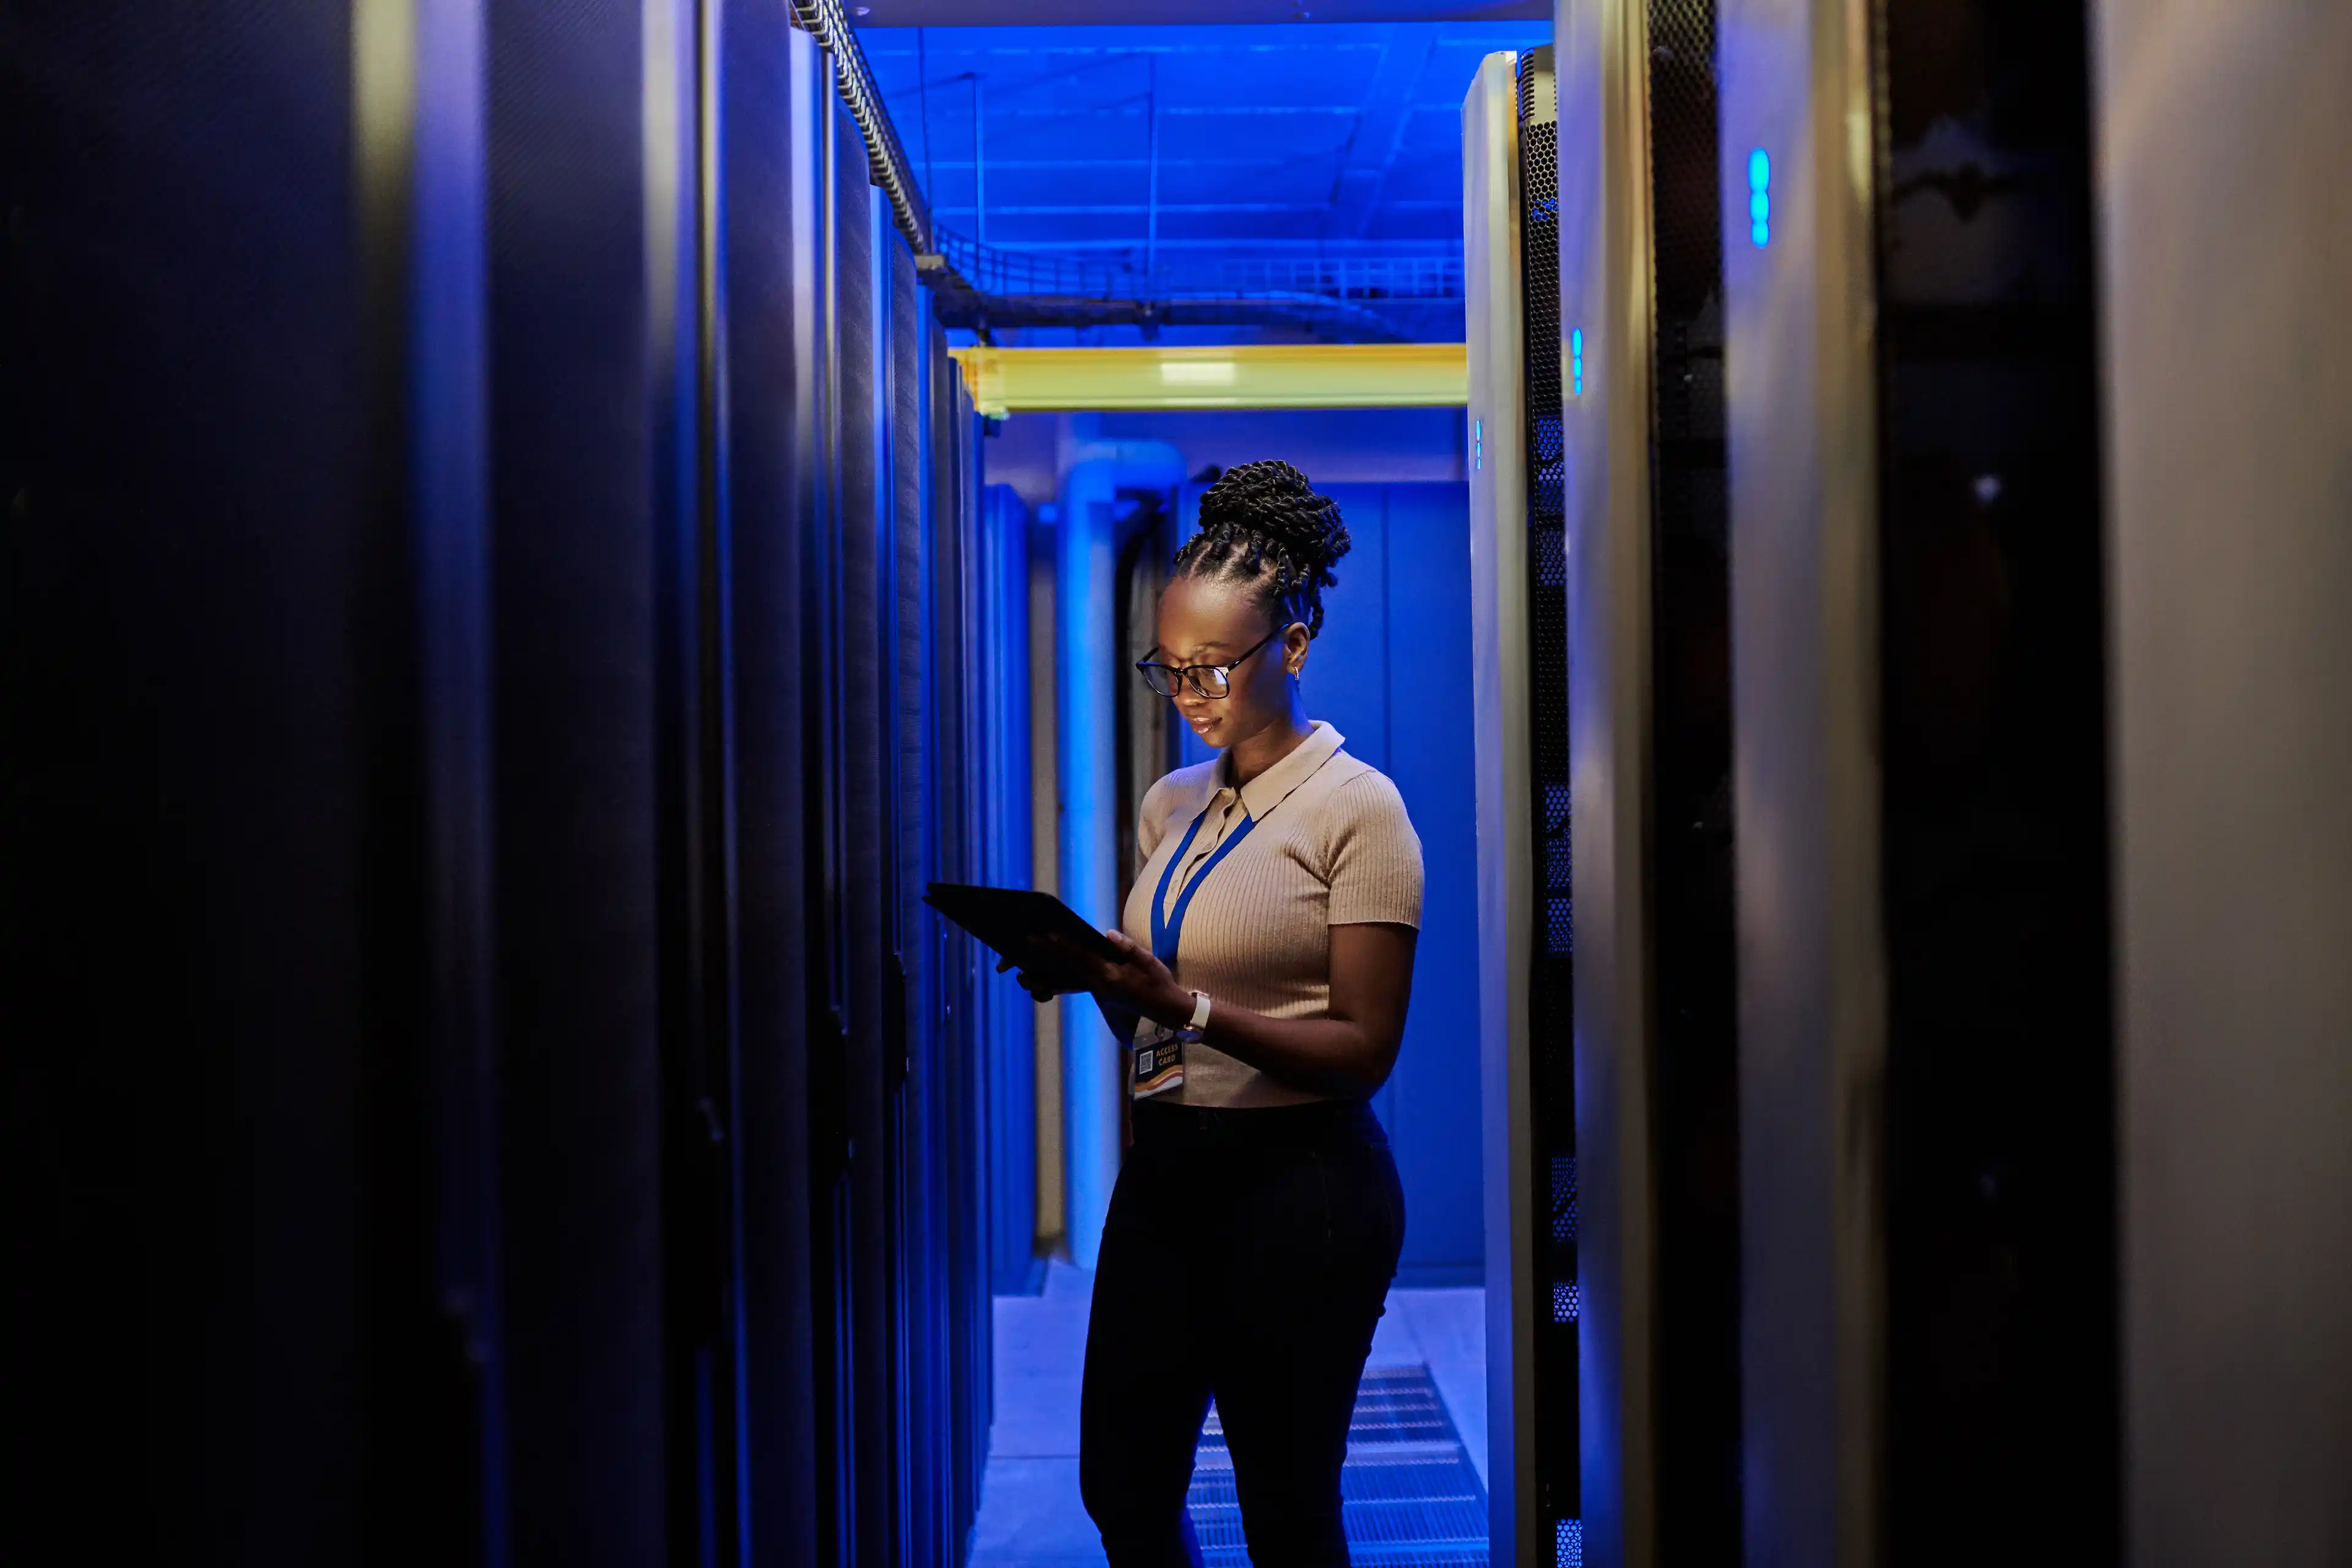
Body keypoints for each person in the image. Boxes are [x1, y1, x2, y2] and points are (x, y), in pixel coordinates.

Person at [1008, 460, 1425, 1567]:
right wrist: (1106, 983)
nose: (1191, 696)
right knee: (1123, 1487)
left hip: (1303, 1188)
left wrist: (1184, 1003)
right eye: (1170, 671)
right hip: (1169, 1180)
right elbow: (1156, 1031)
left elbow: (1363, 1051)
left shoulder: (1359, 808)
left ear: (1291, 646)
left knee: (1286, 1506)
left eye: (1213, 670)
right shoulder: (1171, 804)